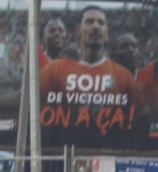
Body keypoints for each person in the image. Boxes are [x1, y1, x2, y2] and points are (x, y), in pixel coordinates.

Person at [38, 6, 148, 146]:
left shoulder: (122, 76)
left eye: (101, 23)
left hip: (107, 157)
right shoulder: (55, 70)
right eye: (89, 22)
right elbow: (30, 102)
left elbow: (143, 116)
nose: (96, 26)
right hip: (61, 158)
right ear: (78, 31)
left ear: (107, 33)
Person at [110, 33, 158, 113]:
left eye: (133, 46)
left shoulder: (149, 73)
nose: (130, 50)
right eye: (124, 46)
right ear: (113, 54)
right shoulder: (107, 79)